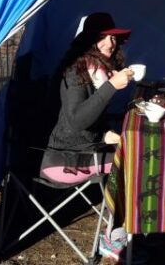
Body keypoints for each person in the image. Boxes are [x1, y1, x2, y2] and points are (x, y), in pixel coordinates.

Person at [41, 12, 134, 185]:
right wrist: (111, 86)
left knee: (137, 149)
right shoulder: (75, 72)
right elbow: (76, 121)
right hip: (64, 160)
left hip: (86, 150)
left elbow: (92, 118)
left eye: (113, 38)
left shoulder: (98, 72)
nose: (110, 44)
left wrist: (105, 135)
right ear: (89, 41)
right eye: (102, 38)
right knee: (136, 161)